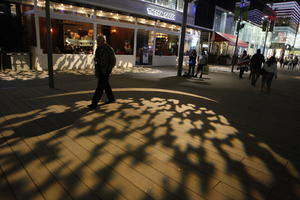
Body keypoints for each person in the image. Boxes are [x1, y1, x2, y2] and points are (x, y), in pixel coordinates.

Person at [88, 35, 116, 109]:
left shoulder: (109, 49)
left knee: (100, 88)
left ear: (103, 41)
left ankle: (94, 102)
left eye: (99, 41)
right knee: (106, 85)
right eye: (97, 41)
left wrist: (108, 70)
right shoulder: (98, 49)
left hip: (105, 71)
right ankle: (111, 98)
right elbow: (97, 59)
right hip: (100, 70)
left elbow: (113, 61)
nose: (97, 43)